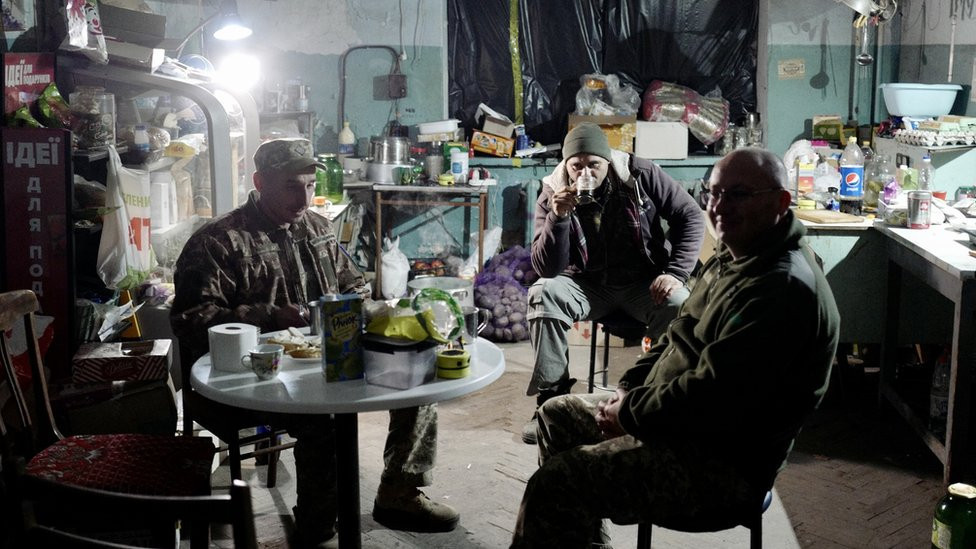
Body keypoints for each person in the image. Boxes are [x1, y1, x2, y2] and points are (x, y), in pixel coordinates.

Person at [510, 148, 840, 548]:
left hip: (722, 462)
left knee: (555, 483)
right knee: (555, 413)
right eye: (714, 194)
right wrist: (630, 387)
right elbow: (678, 332)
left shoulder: (779, 289)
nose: (719, 207)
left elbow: (714, 396)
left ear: (781, 201)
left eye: (737, 195)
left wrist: (631, 414)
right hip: (680, 422)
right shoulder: (735, 255)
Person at [171, 138, 458, 548]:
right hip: (254, 376)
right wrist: (269, 316)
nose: (303, 197)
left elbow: (353, 284)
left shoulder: (317, 228)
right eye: (290, 186)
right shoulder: (219, 241)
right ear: (259, 183)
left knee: (417, 383)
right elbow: (191, 320)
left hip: (327, 359)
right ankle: (318, 526)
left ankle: (400, 492)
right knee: (322, 422)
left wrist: (359, 308)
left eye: (308, 185)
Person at [523, 122, 705, 444]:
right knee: (542, 293)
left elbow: (689, 215)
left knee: (679, 303)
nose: (585, 173)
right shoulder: (553, 191)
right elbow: (546, 269)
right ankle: (550, 404)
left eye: (594, 164)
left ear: (608, 161)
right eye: (576, 165)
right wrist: (558, 218)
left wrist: (675, 273)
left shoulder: (638, 174)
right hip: (587, 285)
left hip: (642, 283)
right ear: (566, 166)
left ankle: (651, 402)